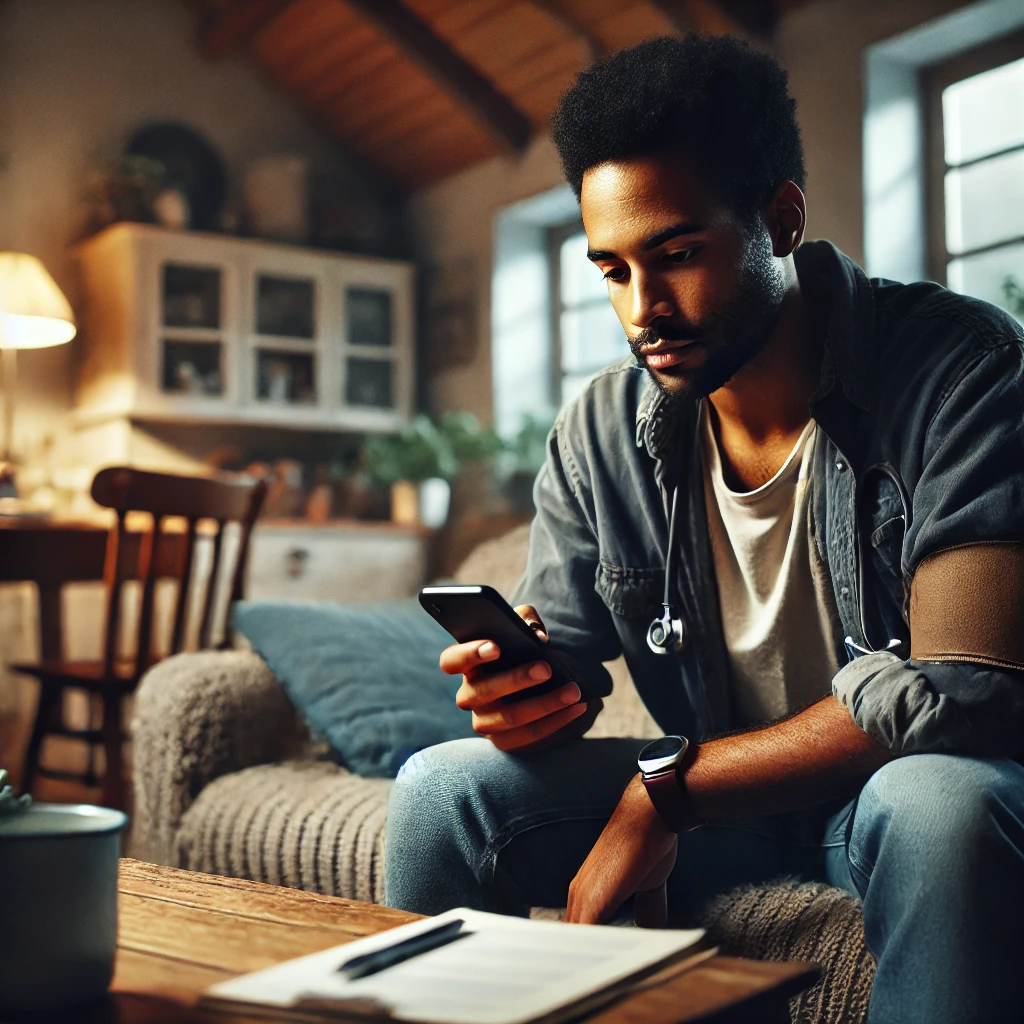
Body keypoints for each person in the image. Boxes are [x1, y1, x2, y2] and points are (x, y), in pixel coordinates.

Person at [385, 34, 1024, 1024]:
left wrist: (666, 790)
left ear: (780, 217)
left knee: (942, 803)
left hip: (884, 803)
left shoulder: (966, 368)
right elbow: (569, 667)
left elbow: (966, 690)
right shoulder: (599, 429)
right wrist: (526, 692)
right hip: (728, 796)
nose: (642, 309)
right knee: (442, 787)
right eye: (612, 269)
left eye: (677, 254)